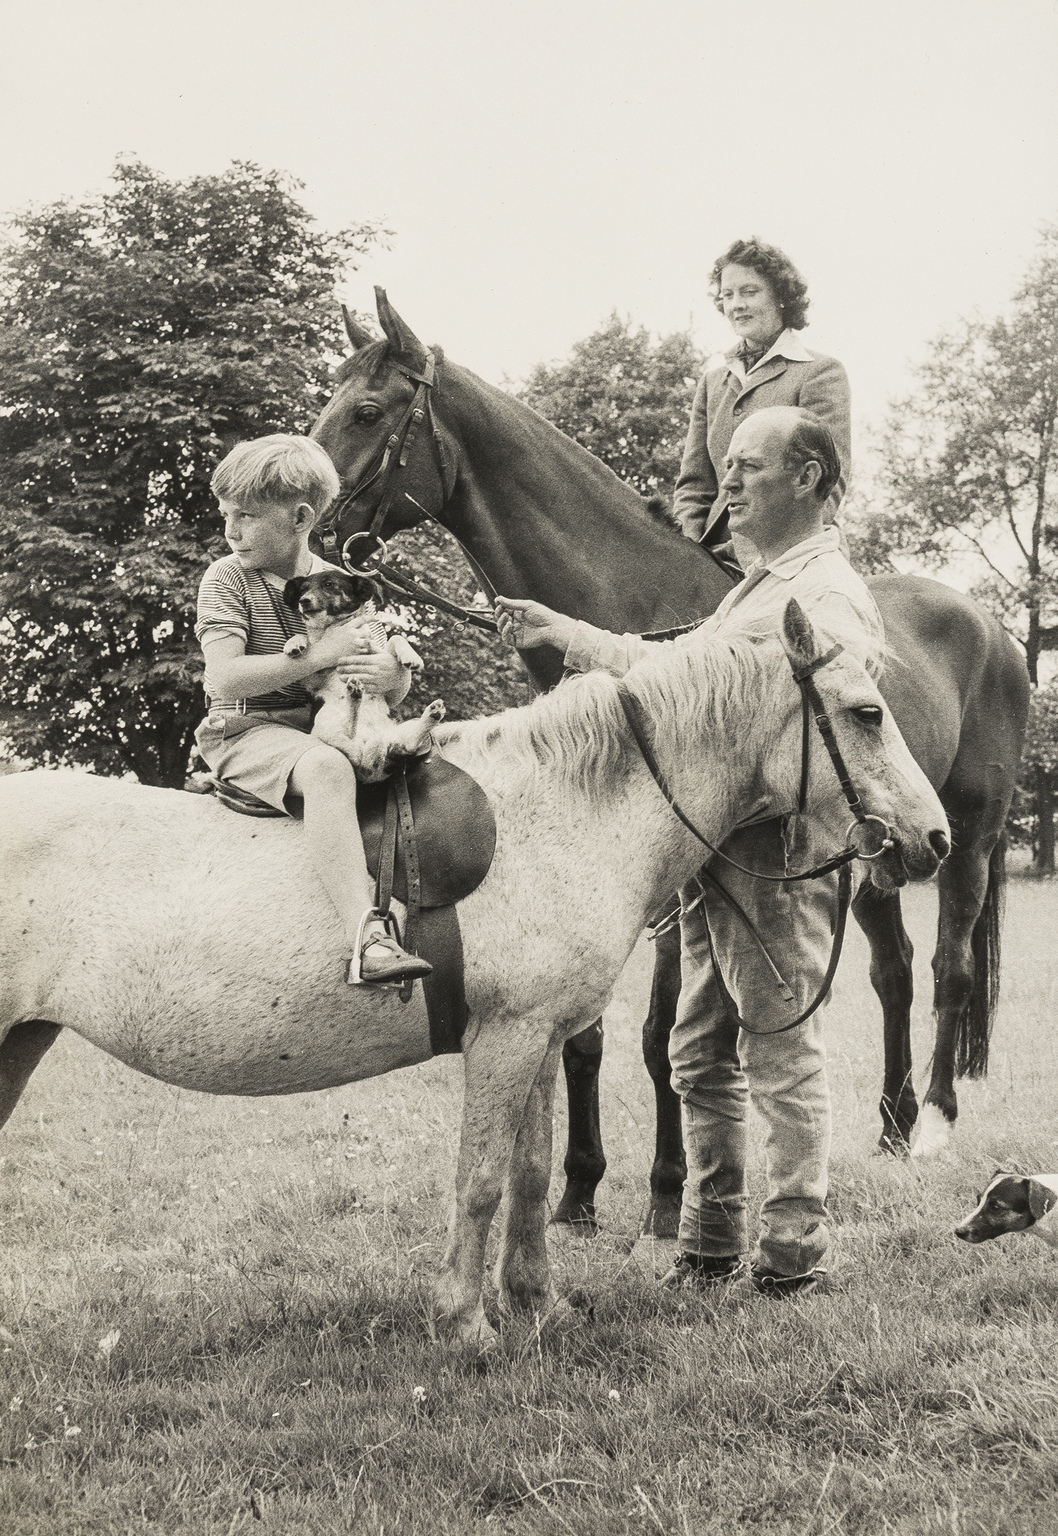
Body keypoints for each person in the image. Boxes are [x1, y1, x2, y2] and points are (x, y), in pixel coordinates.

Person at [494, 406, 883, 1297]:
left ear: (812, 479)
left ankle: (792, 1255)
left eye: (750, 466)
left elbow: (807, 730)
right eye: (728, 464)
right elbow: (678, 672)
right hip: (721, 850)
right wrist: (566, 631)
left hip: (779, 854)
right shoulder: (757, 585)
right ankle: (709, 1245)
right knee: (699, 1052)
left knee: (780, 1052)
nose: (728, 482)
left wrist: (577, 641)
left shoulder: (821, 595)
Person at [194, 434, 432, 988]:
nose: (232, 530)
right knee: (327, 770)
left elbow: (375, 678)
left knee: (425, 755)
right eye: (227, 515)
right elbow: (224, 674)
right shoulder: (227, 579)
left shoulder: (340, 584)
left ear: (300, 517)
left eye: (247, 516)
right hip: (247, 729)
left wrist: (392, 677)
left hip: (327, 724)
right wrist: (320, 656)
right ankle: (366, 940)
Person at [676, 238, 851, 567]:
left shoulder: (820, 373)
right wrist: (684, 554)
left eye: (749, 292)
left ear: (781, 297)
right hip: (710, 556)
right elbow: (694, 485)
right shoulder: (713, 383)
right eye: (727, 295)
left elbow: (828, 481)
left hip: (791, 555)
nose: (736, 305)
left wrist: (774, 551)